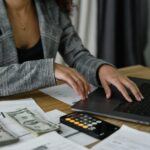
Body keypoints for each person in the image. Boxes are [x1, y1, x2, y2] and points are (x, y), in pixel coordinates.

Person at [0, 0, 143, 102]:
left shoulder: (51, 7)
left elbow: (76, 54)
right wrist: (48, 69)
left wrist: (101, 69)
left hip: (41, 104)